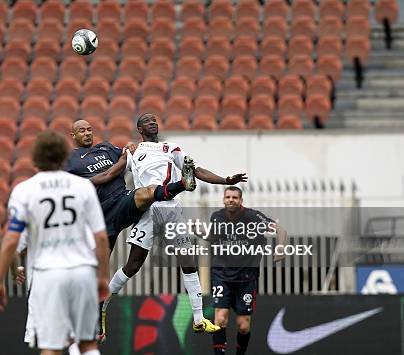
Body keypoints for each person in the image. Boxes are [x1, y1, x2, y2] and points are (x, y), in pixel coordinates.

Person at [101, 113, 248, 339]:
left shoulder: (171, 148)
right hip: (148, 209)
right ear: (140, 129)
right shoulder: (132, 151)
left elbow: (197, 170)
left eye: (154, 119)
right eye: (147, 121)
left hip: (171, 209)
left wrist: (225, 180)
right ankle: (104, 302)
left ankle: (198, 319)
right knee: (133, 265)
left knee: (187, 261)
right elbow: (113, 174)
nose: (153, 122)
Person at [0, 130, 110, 355]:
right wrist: (103, 276)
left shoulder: (24, 190)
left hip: (47, 273)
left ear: (35, 157)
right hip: (83, 271)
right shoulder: (83, 186)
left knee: (52, 347)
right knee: (87, 344)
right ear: (65, 155)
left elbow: (11, 240)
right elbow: (101, 236)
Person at [68, 119, 195, 252]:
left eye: (89, 130)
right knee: (102, 264)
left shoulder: (106, 148)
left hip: (122, 200)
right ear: (73, 135)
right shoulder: (70, 159)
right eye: (82, 131)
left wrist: (130, 146)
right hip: (102, 210)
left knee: (148, 191)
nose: (87, 133)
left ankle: (184, 183)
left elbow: (128, 155)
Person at [208, 186, 287, 355]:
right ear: (223, 199)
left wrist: (280, 247)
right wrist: (199, 232)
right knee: (220, 319)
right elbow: (213, 237)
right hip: (221, 274)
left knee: (243, 326)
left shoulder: (254, 217)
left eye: (234, 197)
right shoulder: (216, 217)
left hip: (246, 277)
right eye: (228, 197)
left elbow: (280, 230)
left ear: (240, 200)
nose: (231, 200)